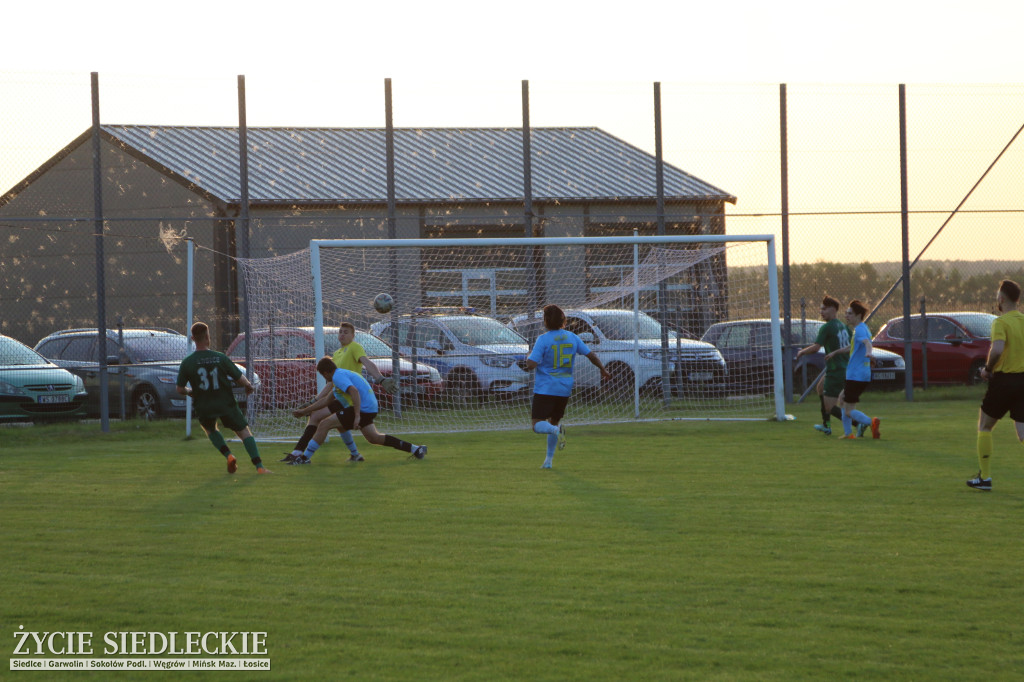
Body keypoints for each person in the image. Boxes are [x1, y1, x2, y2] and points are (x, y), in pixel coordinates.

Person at [281, 322, 393, 463]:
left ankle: (299, 454)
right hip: (340, 397)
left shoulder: (354, 347)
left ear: (353, 336)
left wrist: (380, 379)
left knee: (318, 417)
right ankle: (355, 454)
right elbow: (331, 383)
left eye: (346, 332)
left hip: (351, 399)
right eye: (340, 331)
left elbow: (367, 362)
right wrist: (314, 401)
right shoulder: (337, 354)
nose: (342, 334)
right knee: (341, 426)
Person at [289, 357, 425, 464]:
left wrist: (357, 415)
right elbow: (326, 401)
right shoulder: (341, 374)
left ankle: (304, 458)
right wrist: (304, 411)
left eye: (324, 376)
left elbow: (354, 391)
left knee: (325, 424)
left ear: (325, 373)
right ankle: (415, 449)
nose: (325, 379)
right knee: (374, 438)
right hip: (371, 408)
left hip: (363, 408)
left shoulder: (337, 377)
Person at [176, 321, 271, 474]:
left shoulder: (187, 362)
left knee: (210, 429)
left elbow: (179, 389)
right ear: (208, 337)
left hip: (204, 404)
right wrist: (248, 386)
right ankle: (259, 466)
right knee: (243, 431)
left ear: (193, 339)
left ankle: (229, 455)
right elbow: (239, 377)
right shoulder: (220, 358)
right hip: (225, 403)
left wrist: (190, 391)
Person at [524, 304, 611, 469]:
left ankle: (556, 433)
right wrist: (603, 370)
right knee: (553, 423)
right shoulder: (572, 337)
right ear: (563, 320)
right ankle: (548, 462)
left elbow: (531, 364)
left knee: (537, 425)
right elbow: (591, 355)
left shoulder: (543, 339)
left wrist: (529, 356)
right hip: (564, 388)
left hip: (546, 388)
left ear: (546, 321)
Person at [967, 279, 1024, 491]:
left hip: (1004, 381)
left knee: (985, 426)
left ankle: (985, 478)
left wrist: (988, 370)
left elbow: (998, 349)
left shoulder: (1000, 323)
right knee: (1023, 434)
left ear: (1001, 299)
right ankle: (984, 478)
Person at [795, 295, 862, 436]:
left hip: (835, 370)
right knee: (820, 388)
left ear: (833, 310)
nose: (821, 311)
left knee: (830, 407)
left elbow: (816, 347)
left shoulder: (827, 327)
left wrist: (802, 352)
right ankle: (826, 425)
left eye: (824, 309)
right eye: (821, 309)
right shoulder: (844, 327)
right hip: (844, 368)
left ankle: (859, 423)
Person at [825, 300, 881, 440]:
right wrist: (835, 352)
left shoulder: (861, 329)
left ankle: (870, 422)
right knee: (842, 400)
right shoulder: (861, 328)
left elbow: (867, 343)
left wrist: (869, 353)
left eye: (850, 313)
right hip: (857, 374)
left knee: (849, 410)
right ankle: (848, 433)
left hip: (856, 375)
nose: (847, 315)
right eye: (846, 313)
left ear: (858, 315)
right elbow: (853, 347)